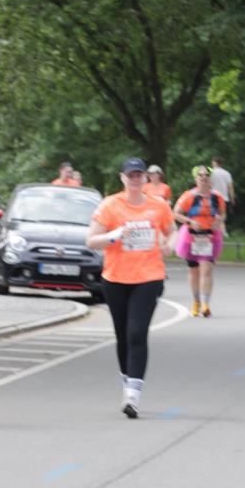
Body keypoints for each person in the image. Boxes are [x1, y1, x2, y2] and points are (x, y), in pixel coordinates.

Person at [87, 157, 175, 419]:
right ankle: (128, 380)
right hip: (115, 279)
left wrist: (170, 244)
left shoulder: (158, 206)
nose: (135, 179)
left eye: (139, 175)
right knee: (123, 336)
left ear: (146, 178)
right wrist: (113, 236)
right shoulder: (110, 206)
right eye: (131, 175)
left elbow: (173, 231)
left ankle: (132, 397)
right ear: (123, 178)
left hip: (149, 277)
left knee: (137, 333)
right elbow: (91, 240)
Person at [173, 165, 226, 318]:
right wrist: (189, 221)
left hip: (210, 237)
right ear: (196, 178)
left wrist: (219, 221)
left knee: (207, 269)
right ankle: (196, 301)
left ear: (210, 179)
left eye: (206, 176)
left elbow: (222, 214)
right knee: (194, 271)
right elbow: (175, 213)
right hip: (191, 237)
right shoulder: (188, 196)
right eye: (200, 176)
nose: (203, 178)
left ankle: (205, 304)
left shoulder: (217, 197)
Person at [210, 156, 235, 233]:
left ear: (214, 163)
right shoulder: (227, 173)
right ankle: (223, 232)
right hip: (224, 198)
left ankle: (217, 231)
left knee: (214, 215)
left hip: (213, 196)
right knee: (223, 214)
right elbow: (230, 187)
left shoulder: (211, 172)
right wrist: (232, 198)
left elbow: (208, 185)